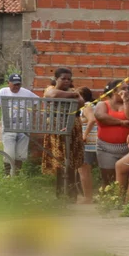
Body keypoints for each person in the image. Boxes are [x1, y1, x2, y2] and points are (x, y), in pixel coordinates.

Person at [41, 68, 86, 196]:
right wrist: (72, 95)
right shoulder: (50, 89)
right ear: (56, 79)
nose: (66, 81)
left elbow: (81, 103)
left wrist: (73, 95)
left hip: (73, 128)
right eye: (63, 78)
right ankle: (60, 193)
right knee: (59, 162)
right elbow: (53, 95)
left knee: (72, 162)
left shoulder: (73, 91)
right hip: (57, 129)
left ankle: (72, 193)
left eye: (68, 79)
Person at [0, 74, 38, 176]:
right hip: (9, 127)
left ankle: (16, 175)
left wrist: (33, 115)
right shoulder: (3, 92)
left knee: (20, 154)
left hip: (24, 127)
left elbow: (37, 101)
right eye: (14, 84)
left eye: (18, 84)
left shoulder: (26, 93)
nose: (16, 86)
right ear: (8, 83)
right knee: (9, 153)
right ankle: (7, 175)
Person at [93, 79, 129, 186]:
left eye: (127, 88)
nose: (127, 91)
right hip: (106, 148)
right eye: (123, 89)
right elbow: (101, 117)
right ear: (113, 92)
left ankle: (122, 200)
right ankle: (108, 200)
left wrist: (125, 101)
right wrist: (121, 122)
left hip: (127, 148)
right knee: (108, 179)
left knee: (126, 178)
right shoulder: (102, 104)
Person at [78, 86, 97, 205]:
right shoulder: (89, 105)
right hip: (93, 141)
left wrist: (84, 135)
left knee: (84, 169)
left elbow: (92, 120)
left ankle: (87, 197)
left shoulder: (86, 106)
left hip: (89, 142)